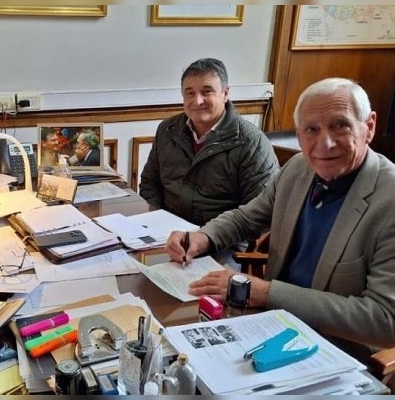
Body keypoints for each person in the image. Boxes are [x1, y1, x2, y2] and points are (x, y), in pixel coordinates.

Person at [166, 77, 395, 365]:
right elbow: (246, 217)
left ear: (369, 127)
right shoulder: (298, 169)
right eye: (311, 129)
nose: (325, 143)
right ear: (299, 134)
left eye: (340, 125)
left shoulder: (389, 199)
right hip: (268, 327)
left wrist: (266, 292)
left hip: (337, 353)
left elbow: (385, 319)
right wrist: (203, 237)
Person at [139, 58, 279, 227]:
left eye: (207, 92)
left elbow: (258, 213)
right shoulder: (167, 130)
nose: (197, 101)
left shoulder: (252, 143)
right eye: (190, 93)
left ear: (225, 94)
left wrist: (206, 237)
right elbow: (149, 184)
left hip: (221, 238)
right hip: (166, 231)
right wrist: (157, 222)